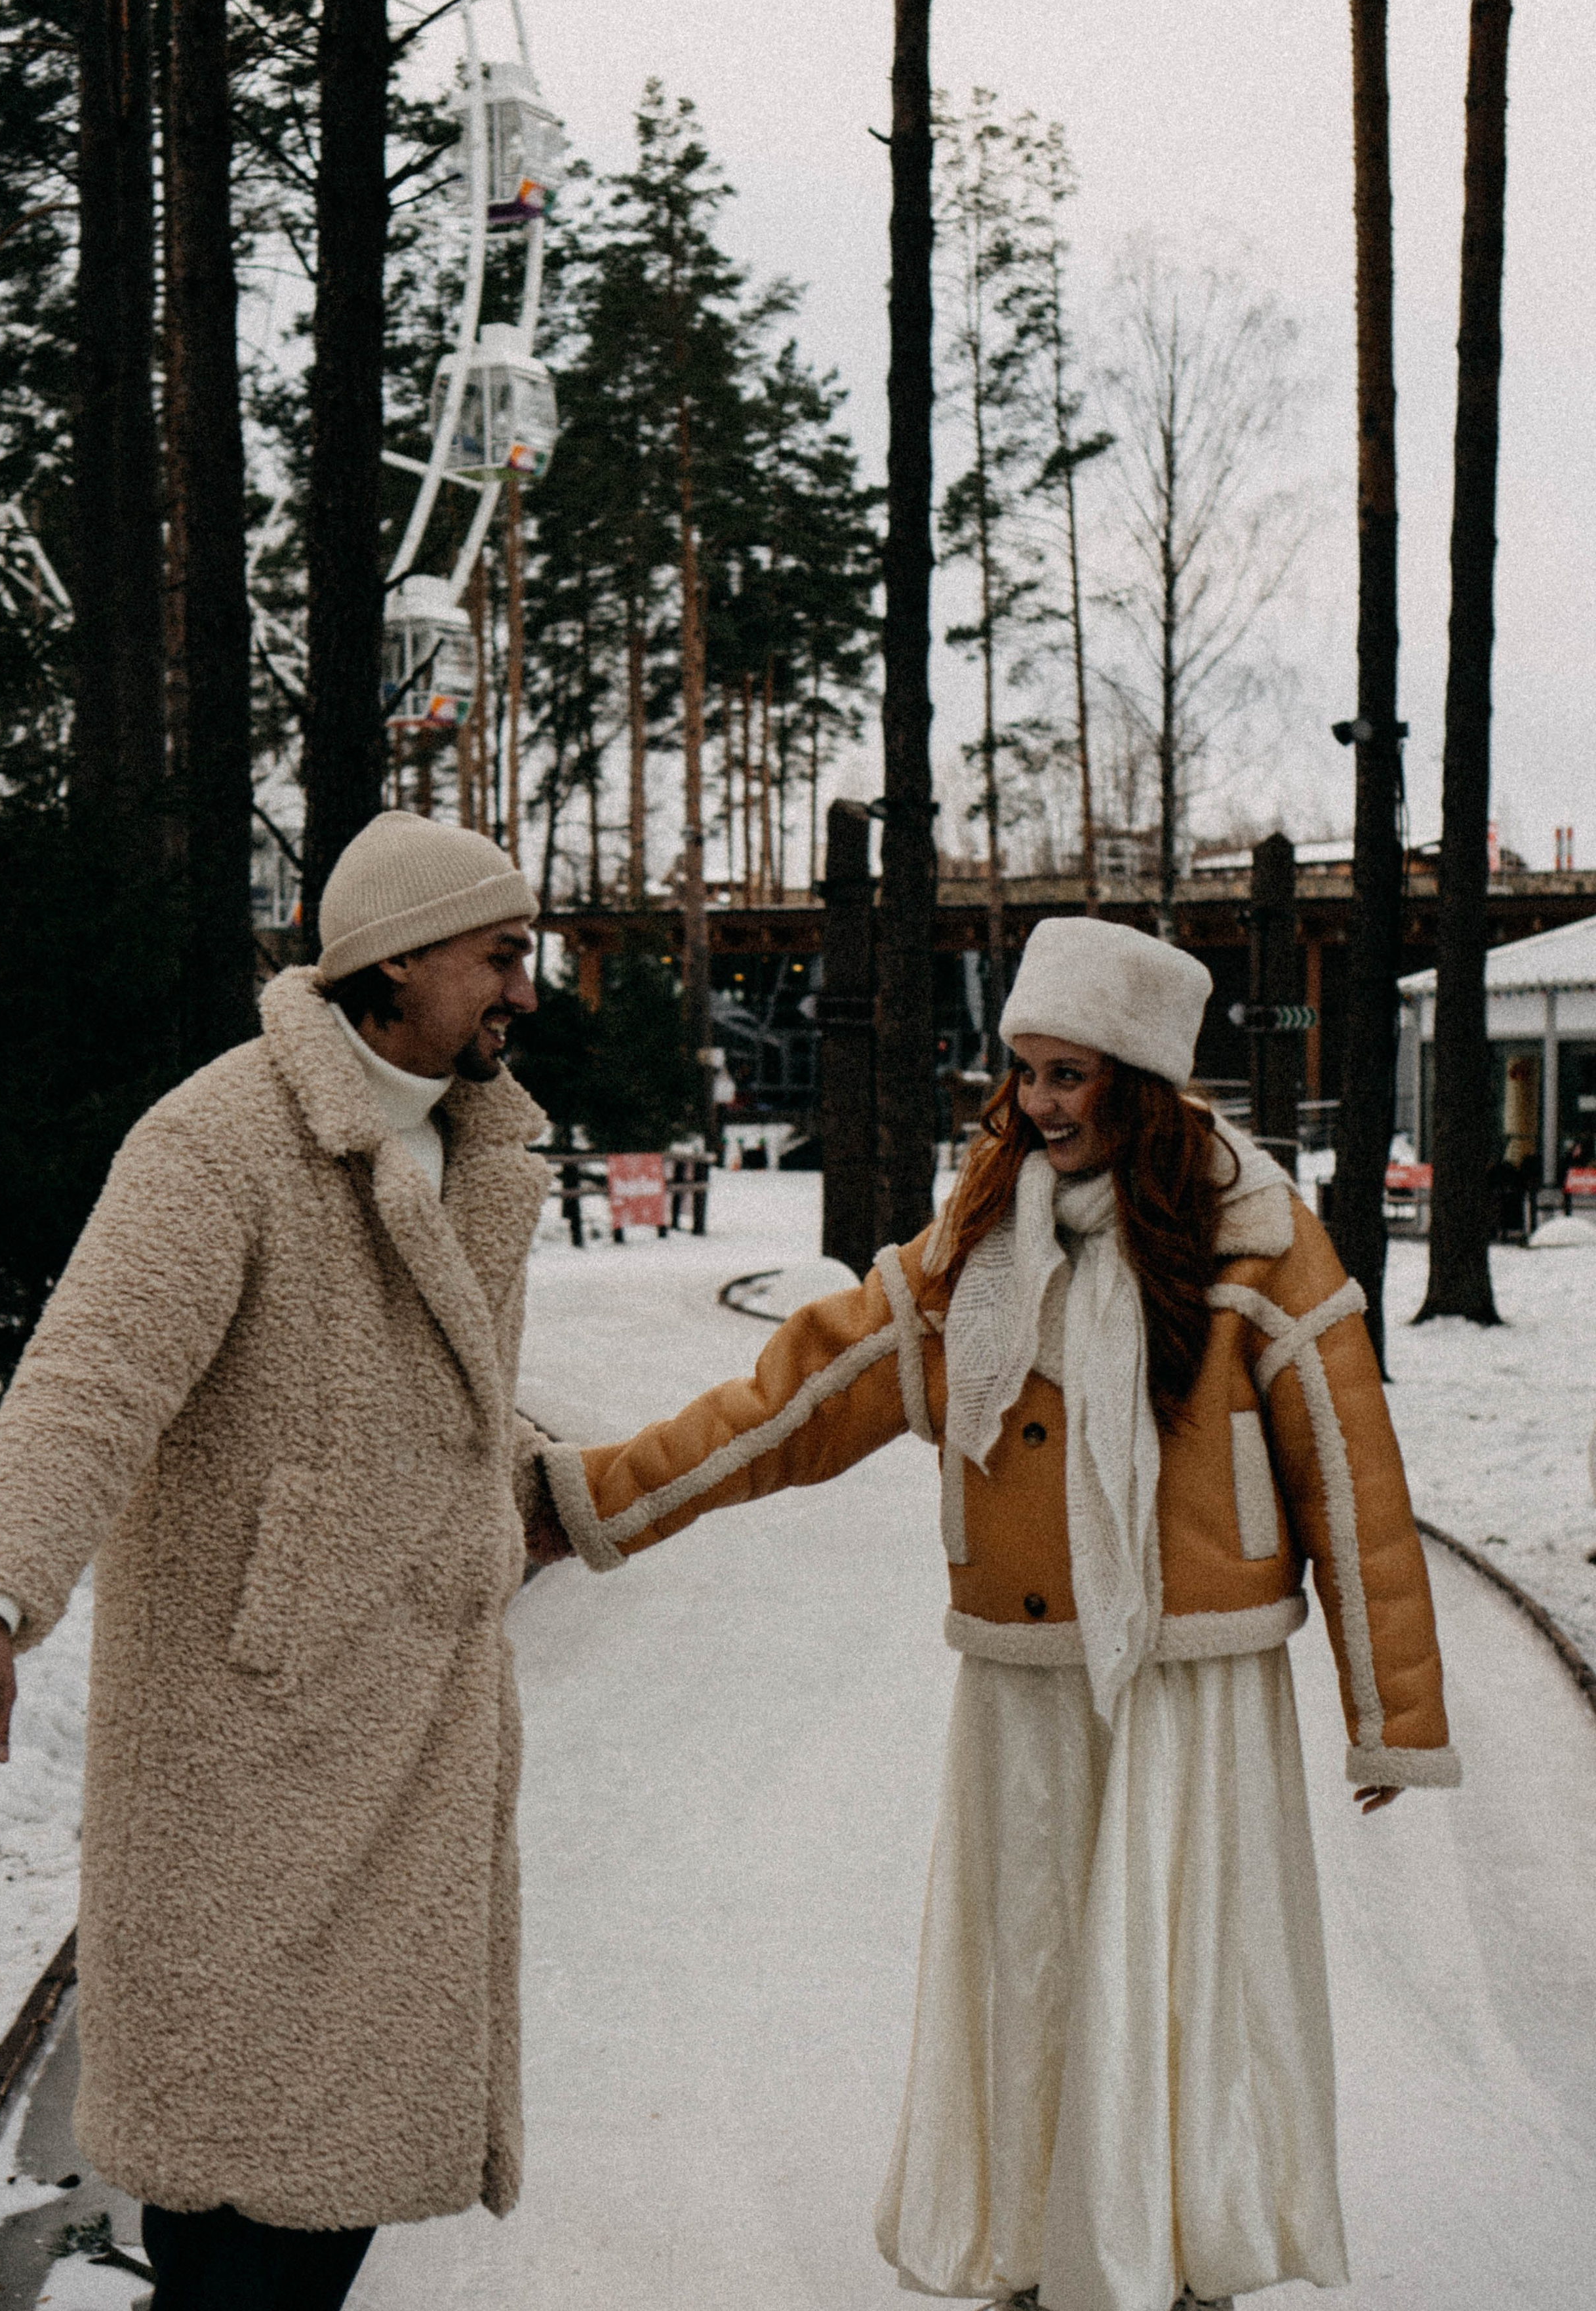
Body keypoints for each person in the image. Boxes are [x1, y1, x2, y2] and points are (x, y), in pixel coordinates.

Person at [532, 917, 1459, 2311]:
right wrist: (598, 1497)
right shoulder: (978, 1242)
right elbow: (800, 1394)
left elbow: (1349, 1476)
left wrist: (1387, 1713)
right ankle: (1036, 2252)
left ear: (1142, 1080)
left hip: (1183, 1687)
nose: (1040, 1103)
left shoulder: (1257, 1242)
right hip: (1024, 1678)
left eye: (1072, 1074)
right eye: (1024, 1071)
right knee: (1029, 1979)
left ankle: (1170, 2258)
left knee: (1170, 1986)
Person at [0, 811, 564, 2311]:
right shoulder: (223, 1139)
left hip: (409, 1734)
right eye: (500, 954)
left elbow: (448, 1405)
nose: (525, 989)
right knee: (242, 2175)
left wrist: (544, 1492)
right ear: (395, 962)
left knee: (333, 2175)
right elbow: (90, 1378)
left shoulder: (478, 1150)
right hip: (248, 1747)